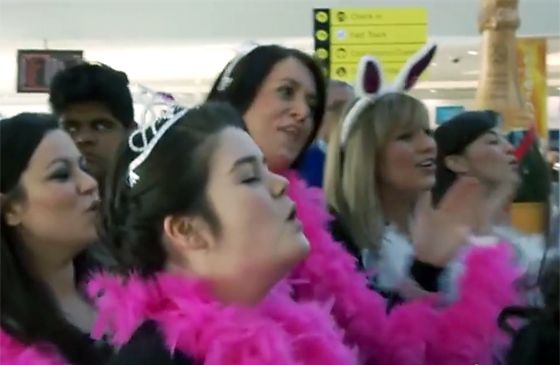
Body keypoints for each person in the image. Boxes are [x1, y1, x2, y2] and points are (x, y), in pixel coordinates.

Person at [204, 44, 521, 365]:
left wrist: (426, 270)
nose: (303, 112)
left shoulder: (316, 225)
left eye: (312, 103)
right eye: (286, 92)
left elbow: (372, 337)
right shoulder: (194, 204)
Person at [0, 113, 110, 365]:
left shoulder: (129, 287)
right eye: (61, 175)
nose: (89, 183)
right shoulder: (9, 335)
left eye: (83, 168)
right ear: (10, 209)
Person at [433, 110, 547, 278]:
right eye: (493, 142)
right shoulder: (447, 241)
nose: (510, 148)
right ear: (457, 162)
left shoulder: (509, 222)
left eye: (506, 140)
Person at [49, 63, 135, 190]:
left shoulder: (157, 205)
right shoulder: (36, 205)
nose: (83, 138)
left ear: (131, 133)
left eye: (101, 126)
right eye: (70, 128)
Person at [298, 80, 353, 187]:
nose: (347, 113)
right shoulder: (301, 163)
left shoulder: (368, 158)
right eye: (338, 107)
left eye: (352, 107)